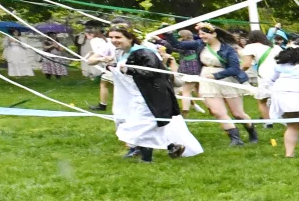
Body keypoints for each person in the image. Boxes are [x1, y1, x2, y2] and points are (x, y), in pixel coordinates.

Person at [104, 26, 192, 161]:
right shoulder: (122, 52)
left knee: (142, 125)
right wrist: (112, 66)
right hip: (139, 93)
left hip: (152, 94)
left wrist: (128, 70)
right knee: (147, 125)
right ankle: (172, 146)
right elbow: (125, 69)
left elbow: (151, 72)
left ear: (130, 38)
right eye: (111, 37)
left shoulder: (144, 52)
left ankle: (147, 159)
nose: (114, 40)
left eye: (118, 37)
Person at [197, 24, 260, 146]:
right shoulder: (200, 46)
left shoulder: (228, 49)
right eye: (199, 34)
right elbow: (178, 45)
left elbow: (235, 69)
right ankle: (235, 139)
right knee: (217, 112)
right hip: (207, 80)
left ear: (214, 34)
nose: (201, 36)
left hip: (226, 80)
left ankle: (252, 132)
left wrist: (217, 75)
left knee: (238, 113)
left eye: (204, 34)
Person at [81, 23, 114, 111]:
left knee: (105, 85)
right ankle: (103, 105)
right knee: (104, 83)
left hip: (111, 66)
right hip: (111, 66)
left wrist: (97, 56)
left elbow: (98, 53)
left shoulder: (94, 40)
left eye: (86, 35)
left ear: (90, 34)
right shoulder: (104, 39)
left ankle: (103, 105)